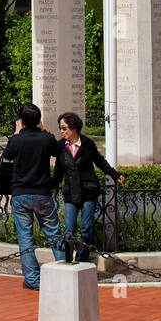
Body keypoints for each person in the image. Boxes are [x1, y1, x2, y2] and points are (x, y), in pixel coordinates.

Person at [2, 103, 66, 291]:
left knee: (25, 238)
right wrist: (43, 130)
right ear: (38, 120)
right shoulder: (46, 138)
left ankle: (32, 278)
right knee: (54, 234)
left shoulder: (17, 140)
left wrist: (16, 132)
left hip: (21, 194)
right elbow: (57, 151)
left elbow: (7, 155)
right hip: (42, 193)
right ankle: (63, 272)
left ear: (21, 121)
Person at [52, 111, 124, 263]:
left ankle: (82, 261)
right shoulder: (60, 146)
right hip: (71, 193)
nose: (62, 131)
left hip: (88, 191)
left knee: (86, 228)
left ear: (74, 128)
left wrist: (115, 175)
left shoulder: (87, 144)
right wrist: (51, 186)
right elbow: (58, 169)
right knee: (69, 229)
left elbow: (100, 162)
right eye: (61, 128)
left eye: (64, 128)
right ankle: (67, 261)